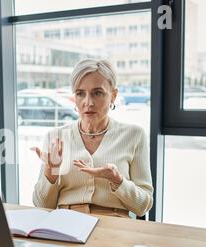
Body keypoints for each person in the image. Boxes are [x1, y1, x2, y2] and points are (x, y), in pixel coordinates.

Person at [31, 59, 153, 218]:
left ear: (113, 96)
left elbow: (143, 206)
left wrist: (117, 180)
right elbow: (41, 205)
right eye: (80, 93)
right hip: (66, 222)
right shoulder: (55, 137)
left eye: (97, 93)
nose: (88, 102)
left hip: (115, 225)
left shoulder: (134, 135)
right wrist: (50, 173)